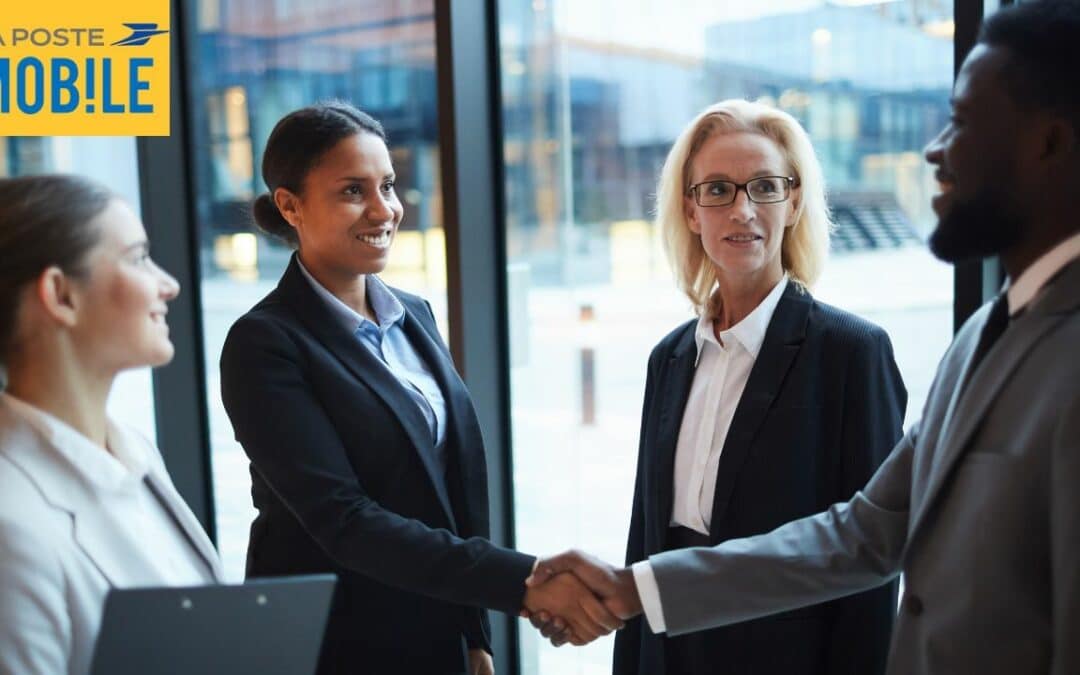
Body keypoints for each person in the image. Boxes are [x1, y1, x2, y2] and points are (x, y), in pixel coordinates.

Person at [527, 2, 1080, 674]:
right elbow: (861, 535)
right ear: (689, 209)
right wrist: (633, 589)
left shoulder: (862, 348)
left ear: (1047, 144)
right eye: (720, 190)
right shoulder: (980, 339)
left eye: (962, 122)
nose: (935, 149)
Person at [219, 102, 619, 675]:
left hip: (432, 632)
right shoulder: (265, 344)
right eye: (353, 191)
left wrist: (473, 633)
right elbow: (344, 519)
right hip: (334, 642)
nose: (384, 209)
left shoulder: (414, 315)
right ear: (290, 205)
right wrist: (523, 584)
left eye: (387, 185)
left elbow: (451, 489)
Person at [605, 99, 904, 675]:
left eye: (764, 187)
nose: (742, 210)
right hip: (670, 655)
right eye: (717, 190)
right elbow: (644, 539)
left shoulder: (851, 352)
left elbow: (873, 563)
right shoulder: (667, 359)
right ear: (691, 211)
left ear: (793, 202)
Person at [0, 175, 225, 675]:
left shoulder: (135, 454)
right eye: (138, 257)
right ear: (61, 295)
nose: (168, 284)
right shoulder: (11, 527)